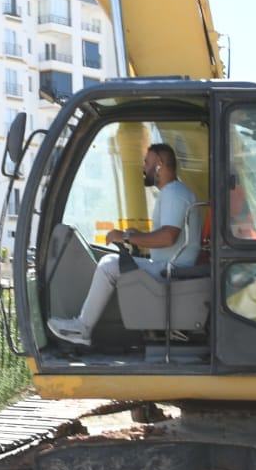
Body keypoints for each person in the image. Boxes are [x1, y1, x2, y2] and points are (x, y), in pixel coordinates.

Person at [47, 142, 198, 347]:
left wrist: (127, 237)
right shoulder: (173, 193)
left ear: (160, 164)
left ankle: (83, 328)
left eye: (147, 162)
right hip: (167, 266)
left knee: (109, 265)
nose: (144, 168)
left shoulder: (174, 193)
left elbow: (168, 237)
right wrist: (136, 235)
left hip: (172, 270)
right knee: (114, 263)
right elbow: (166, 236)